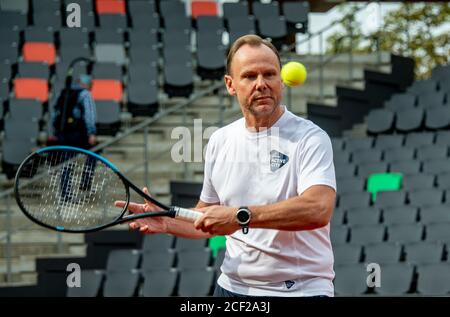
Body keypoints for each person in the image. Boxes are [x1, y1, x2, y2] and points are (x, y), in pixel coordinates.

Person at [116, 35, 337, 297]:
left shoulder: (310, 137)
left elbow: (318, 209)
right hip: (231, 288)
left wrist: (239, 216)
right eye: (249, 76)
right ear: (231, 85)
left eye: (269, 74)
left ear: (281, 81)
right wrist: (167, 222)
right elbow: (206, 215)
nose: (261, 84)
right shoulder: (220, 140)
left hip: (300, 291)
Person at [48, 74, 97, 149]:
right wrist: (91, 133)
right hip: (78, 134)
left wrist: (54, 131)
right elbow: (89, 115)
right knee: (77, 158)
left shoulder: (63, 92)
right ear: (87, 84)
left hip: (61, 132)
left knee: (64, 157)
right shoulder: (85, 94)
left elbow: (55, 112)